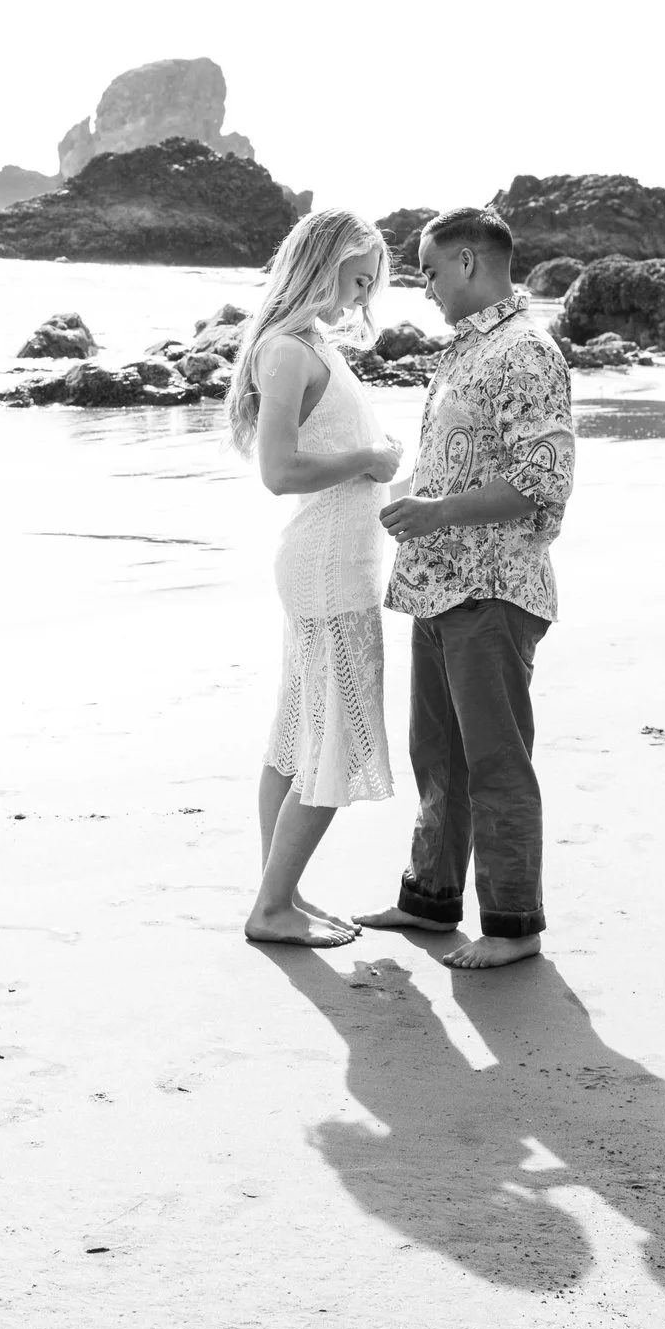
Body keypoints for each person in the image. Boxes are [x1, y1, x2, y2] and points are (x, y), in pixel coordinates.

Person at [355, 206, 575, 969]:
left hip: (492, 588)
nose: (424, 288)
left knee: (496, 761)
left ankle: (514, 927)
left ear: (472, 263)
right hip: (440, 585)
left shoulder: (524, 351)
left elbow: (541, 481)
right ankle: (431, 899)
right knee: (438, 755)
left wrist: (438, 511)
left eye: (431, 270)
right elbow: (456, 462)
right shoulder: (468, 350)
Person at [227, 208, 405, 947]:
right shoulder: (288, 351)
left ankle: (283, 894)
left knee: (297, 734)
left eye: (371, 287)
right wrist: (369, 461)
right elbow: (279, 472)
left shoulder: (309, 344)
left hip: (335, 558)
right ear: (322, 262)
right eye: (357, 279)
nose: (363, 299)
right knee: (337, 738)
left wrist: (374, 454)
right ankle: (271, 908)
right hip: (327, 564)